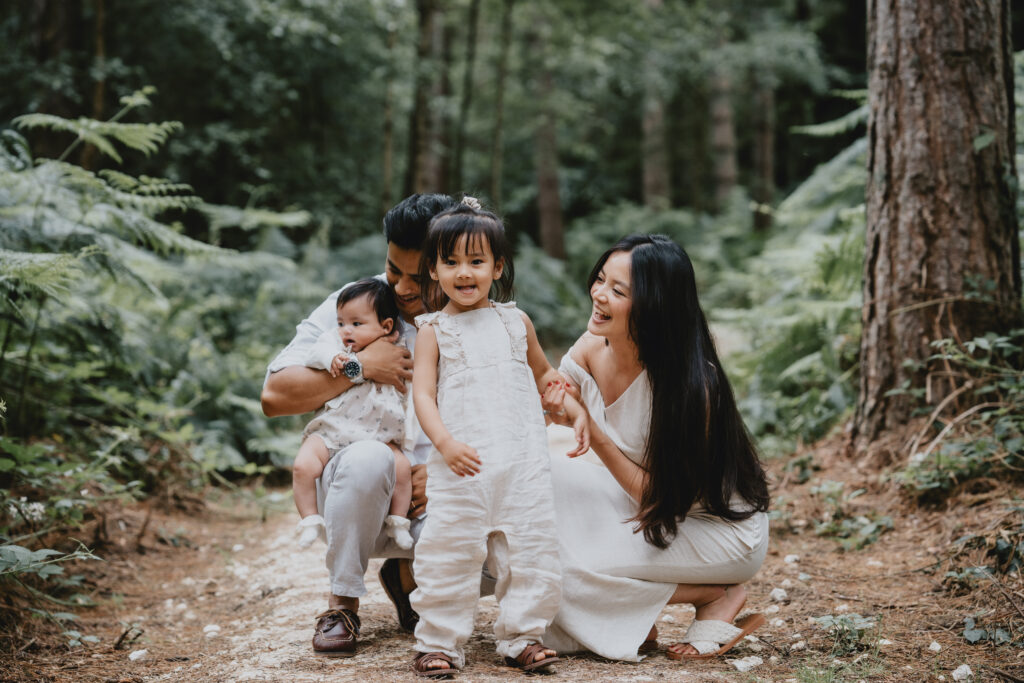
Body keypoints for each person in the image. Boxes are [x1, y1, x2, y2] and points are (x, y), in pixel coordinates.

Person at [540, 233, 771, 661]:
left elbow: (656, 499)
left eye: (618, 290)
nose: (599, 294)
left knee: (558, 563)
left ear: (655, 307)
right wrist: (559, 404)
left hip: (715, 532)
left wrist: (591, 426)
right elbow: (553, 399)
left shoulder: (693, 388)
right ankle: (637, 617)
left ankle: (714, 593)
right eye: (600, 280)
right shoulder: (592, 348)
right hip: (643, 510)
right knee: (535, 489)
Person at [261, 193, 458, 657]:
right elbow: (274, 396)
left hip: (440, 491)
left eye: (419, 275)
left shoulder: (475, 312)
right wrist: (360, 366)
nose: (403, 288)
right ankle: (342, 603)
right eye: (394, 270)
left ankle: (407, 577)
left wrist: (448, 472)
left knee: (503, 532)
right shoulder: (356, 305)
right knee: (370, 459)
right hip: (359, 477)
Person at [408, 200, 589, 677]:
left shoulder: (516, 322)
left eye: (476, 261)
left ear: (497, 266)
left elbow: (546, 375)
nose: (463, 273)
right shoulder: (434, 331)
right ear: (433, 269)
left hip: (521, 464)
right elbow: (423, 396)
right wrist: (444, 444)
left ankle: (523, 637)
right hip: (461, 467)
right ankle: (439, 641)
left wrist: (573, 410)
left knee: (530, 551)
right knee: (449, 552)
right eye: (450, 262)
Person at [292, 278, 413, 552]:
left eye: (356, 324)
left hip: (380, 435)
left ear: (386, 326)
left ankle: (398, 521)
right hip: (332, 430)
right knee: (303, 465)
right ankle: (310, 519)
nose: (346, 330)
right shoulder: (337, 345)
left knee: (402, 470)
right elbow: (315, 352)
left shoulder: (398, 346)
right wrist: (331, 359)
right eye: (341, 322)